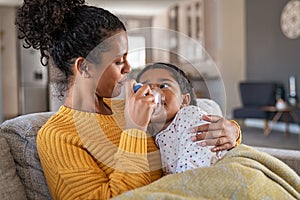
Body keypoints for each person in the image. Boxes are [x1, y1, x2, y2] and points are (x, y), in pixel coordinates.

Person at [16, 0, 241, 199]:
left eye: (127, 57)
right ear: (84, 67)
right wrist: (134, 130)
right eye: (118, 61)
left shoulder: (131, 107)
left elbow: (186, 124)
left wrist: (231, 132)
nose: (128, 68)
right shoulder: (58, 136)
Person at [136, 63, 229, 175]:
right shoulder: (149, 133)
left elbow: (195, 169)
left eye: (163, 86)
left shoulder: (189, 116)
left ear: (184, 100)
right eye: (144, 87)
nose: (153, 92)